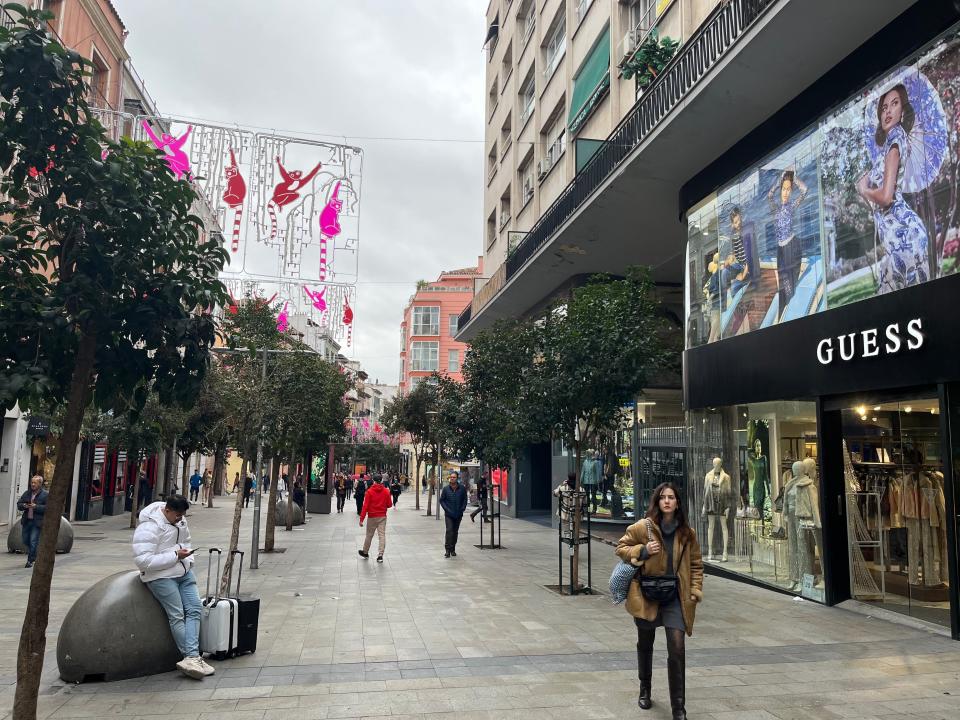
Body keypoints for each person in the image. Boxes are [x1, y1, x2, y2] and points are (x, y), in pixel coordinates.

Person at [616, 482, 703, 720]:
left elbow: (696, 564)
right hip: (647, 594)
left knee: (677, 647)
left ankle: (679, 708)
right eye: (663, 497)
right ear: (657, 501)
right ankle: (645, 688)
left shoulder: (687, 533)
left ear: (677, 502)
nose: (667, 501)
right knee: (645, 643)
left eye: (671, 497)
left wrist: (695, 589)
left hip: (675, 596)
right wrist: (643, 550)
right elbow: (621, 547)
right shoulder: (643, 528)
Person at [132, 495, 214, 680]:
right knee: (177, 614)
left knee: (194, 608)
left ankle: (193, 657)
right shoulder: (149, 527)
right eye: (177, 515)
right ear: (167, 510)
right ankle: (192, 656)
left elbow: (186, 541)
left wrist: (188, 558)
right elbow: (143, 561)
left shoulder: (180, 520)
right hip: (161, 577)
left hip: (183, 573)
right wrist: (176, 556)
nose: (180, 519)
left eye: (183, 515)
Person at [858, 83, 929, 293]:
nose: (887, 111)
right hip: (898, 237)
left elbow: (887, 197)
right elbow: (877, 201)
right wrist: (867, 188)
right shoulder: (891, 144)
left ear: (903, 111)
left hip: (904, 237)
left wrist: (865, 190)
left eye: (894, 104)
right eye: (884, 107)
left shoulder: (895, 142)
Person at [767, 168, 808, 318]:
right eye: (784, 189)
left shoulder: (791, 206)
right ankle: (782, 317)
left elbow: (805, 190)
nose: (785, 193)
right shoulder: (775, 209)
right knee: (782, 287)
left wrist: (794, 177)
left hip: (792, 247)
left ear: (791, 191)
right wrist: (779, 182)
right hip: (781, 250)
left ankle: (793, 315)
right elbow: (769, 195)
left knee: (790, 286)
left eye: (788, 190)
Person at [359, 475, 392, 562]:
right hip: (382, 516)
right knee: (382, 535)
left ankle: (365, 552)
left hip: (372, 517)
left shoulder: (369, 492)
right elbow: (389, 505)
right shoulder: (386, 491)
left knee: (369, 535)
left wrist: (361, 519)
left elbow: (365, 506)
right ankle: (380, 555)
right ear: (381, 480)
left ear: (373, 481)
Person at [17, 475, 47, 569]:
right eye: (32, 482)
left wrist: (36, 507)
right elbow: (19, 504)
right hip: (27, 521)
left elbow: (48, 508)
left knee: (33, 541)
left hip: (36, 522)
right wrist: (24, 505)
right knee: (25, 540)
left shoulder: (45, 495)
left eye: (35, 483)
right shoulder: (27, 493)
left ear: (40, 484)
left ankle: (30, 560)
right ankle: (34, 554)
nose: (32, 484)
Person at [439, 471, 468, 558]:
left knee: (455, 532)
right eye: (451, 477)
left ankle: (453, 549)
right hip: (449, 514)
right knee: (449, 531)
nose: (452, 478)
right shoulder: (446, 489)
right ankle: (447, 550)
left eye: (454, 477)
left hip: (458, 514)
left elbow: (465, 500)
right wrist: (446, 509)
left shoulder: (462, 488)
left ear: (457, 478)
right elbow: (442, 500)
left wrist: (462, 509)